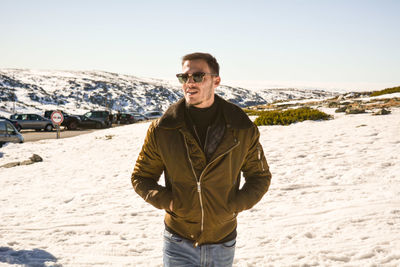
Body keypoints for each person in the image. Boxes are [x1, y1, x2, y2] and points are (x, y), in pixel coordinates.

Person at [131, 52, 271, 266]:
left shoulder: (242, 128)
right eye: (184, 77)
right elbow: (141, 177)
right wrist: (169, 202)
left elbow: (260, 177)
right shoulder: (163, 129)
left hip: (223, 242)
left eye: (197, 77)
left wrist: (234, 206)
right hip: (178, 240)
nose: (189, 83)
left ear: (216, 81)